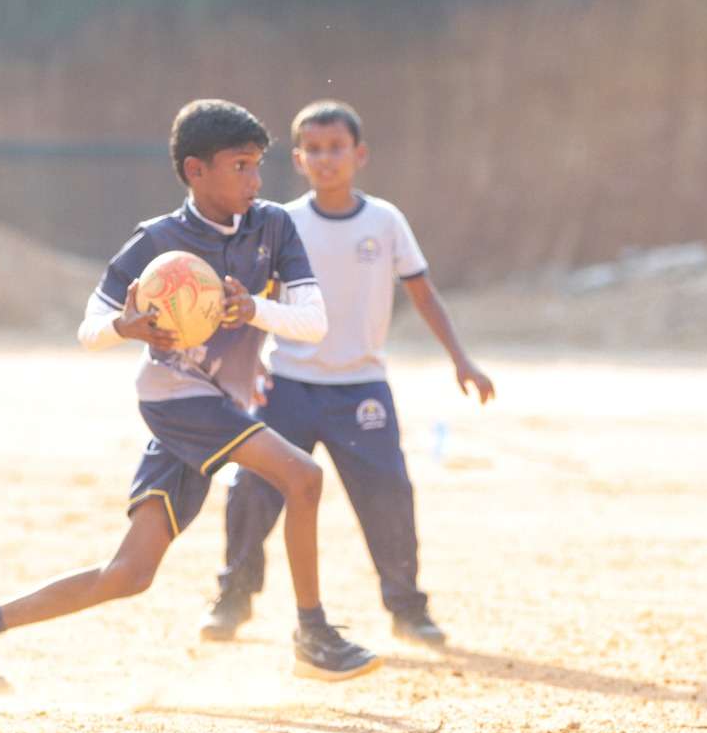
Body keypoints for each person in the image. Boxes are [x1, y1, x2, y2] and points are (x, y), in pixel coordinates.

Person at [0, 99, 381, 689]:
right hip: (176, 399)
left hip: (220, 404)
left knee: (128, 574)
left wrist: (255, 309)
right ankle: (314, 635)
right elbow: (90, 329)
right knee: (304, 476)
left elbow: (314, 321)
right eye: (241, 166)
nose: (256, 180)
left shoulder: (273, 224)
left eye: (258, 165)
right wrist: (125, 327)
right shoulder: (157, 241)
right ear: (196, 170)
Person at [202, 100, 494, 646]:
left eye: (336, 148)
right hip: (286, 381)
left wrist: (462, 359)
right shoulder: (282, 222)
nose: (326, 159)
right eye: (313, 149)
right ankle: (234, 597)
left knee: (388, 495)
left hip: (361, 385)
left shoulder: (384, 222)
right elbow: (256, 300)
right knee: (251, 486)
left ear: (359, 155)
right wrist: (247, 366)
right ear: (298, 159)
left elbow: (423, 294)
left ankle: (408, 608)